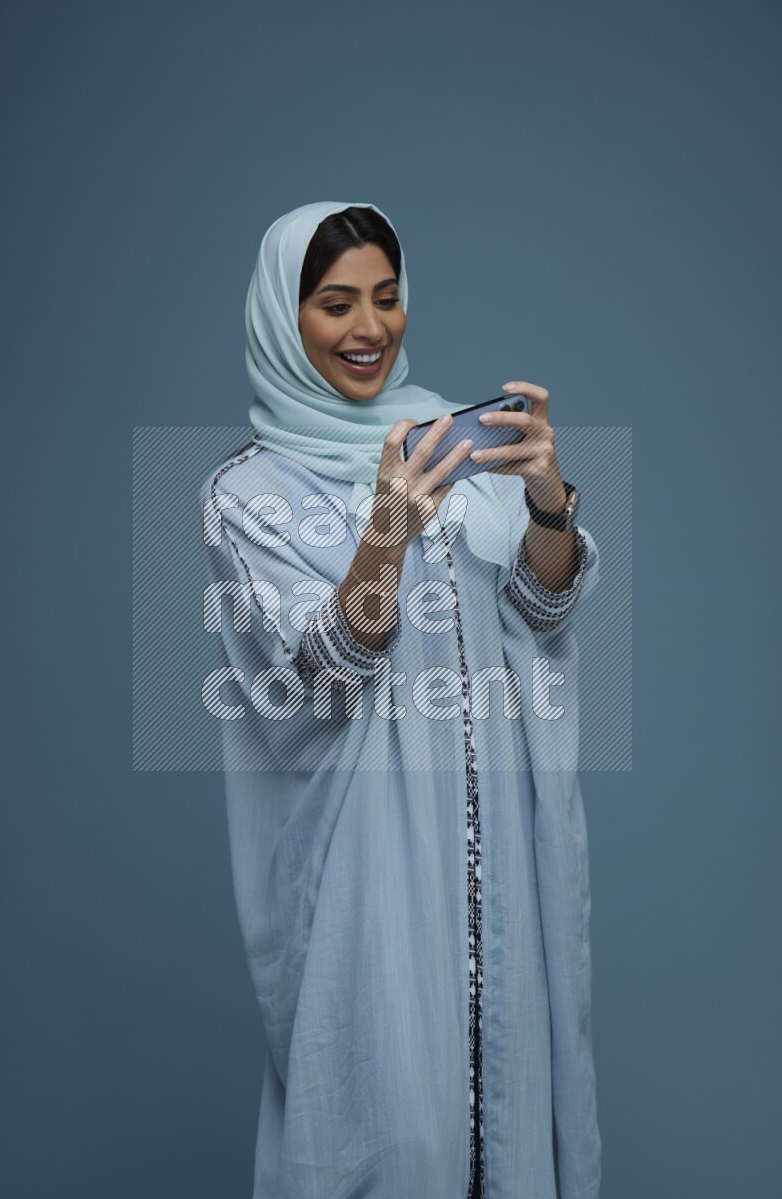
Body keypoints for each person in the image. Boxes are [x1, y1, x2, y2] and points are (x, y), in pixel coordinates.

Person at [200, 201, 602, 1199]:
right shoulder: (248, 494)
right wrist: (383, 530)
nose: (368, 327)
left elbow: (541, 605)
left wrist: (547, 497)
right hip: (364, 868)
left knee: (505, 1121)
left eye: (386, 297)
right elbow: (328, 670)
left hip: (498, 859)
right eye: (335, 303)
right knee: (395, 1133)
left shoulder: (452, 454)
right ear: (281, 321)